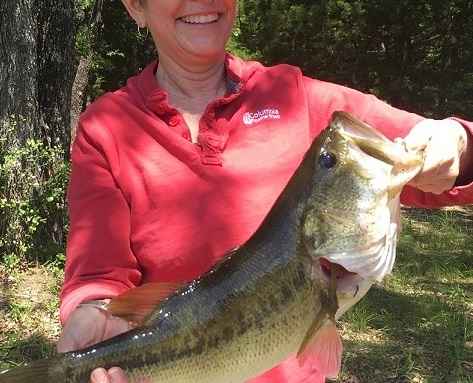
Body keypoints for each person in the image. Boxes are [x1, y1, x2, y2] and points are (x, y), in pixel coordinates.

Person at [57, 1, 473, 382]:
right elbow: (99, 273)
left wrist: (454, 140)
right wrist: (94, 311)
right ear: (135, 6)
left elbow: (429, 150)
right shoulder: (106, 127)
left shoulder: (296, 96)